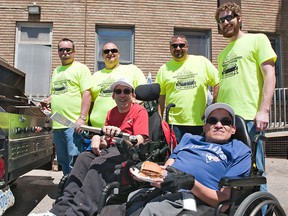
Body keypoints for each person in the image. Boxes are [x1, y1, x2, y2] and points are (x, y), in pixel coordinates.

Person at [30, 78, 149, 216]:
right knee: (83, 157)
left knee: (99, 163)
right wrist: (98, 138)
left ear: (132, 95)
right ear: (113, 95)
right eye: (118, 91)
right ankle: (60, 209)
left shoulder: (140, 111)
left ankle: (78, 212)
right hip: (109, 149)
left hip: (127, 151)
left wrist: (121, 136)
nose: (122, 95)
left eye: (126, 91)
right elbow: (106, 141)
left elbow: (140, 139)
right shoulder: (111, 112)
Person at [128, 103, 251, 215]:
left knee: (153, 209)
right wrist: (147, 173)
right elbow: (167, 168)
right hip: (168, 188)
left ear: (233, 129)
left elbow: (224, 202)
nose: (218, 125)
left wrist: (189, 183)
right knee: (133, 198)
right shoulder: (189, 139)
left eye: (225, 122)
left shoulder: (239, 150)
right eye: (212, 120)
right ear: (204, 126)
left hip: (196, 198)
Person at [214, 2, 277, 190]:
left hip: (249, 118)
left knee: (255, 171)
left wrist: (264, 110)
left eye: (229, 17)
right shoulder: (222, 53)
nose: (225, 22)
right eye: (221, 20)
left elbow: (270, 75)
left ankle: (262, 210)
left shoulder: (258, 39)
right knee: (231, 170)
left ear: (239, 18)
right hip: (227, 122)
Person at [41, 38, 93, 175]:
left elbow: (87, 94)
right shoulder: (56, 71)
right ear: (58, 52)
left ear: (73, 51)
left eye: (68, 49)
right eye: (61, 49)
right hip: (58, 123)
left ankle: (76, 193)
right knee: (63, 162)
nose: (65, 52)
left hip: (73, 125)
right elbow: (57, 93)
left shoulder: (81, 68)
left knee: (74, 162)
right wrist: (48, 100)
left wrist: (82, 118)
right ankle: (66, 191)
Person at [155, 35, 219, 143]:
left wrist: (212, 108)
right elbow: (160, 97)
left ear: (187, 47)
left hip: (200, 122)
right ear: (170, 48)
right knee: (177, 155)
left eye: (181, 45)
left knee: (199, 155)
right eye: (174, 46)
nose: (178, 48)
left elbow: (218, 83)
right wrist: (161, 121)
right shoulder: (164, 69)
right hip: (174, 124)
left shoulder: (202, 62)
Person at [90, 42, 146, 128]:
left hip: (123, 128)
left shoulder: (132, 70)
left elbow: (144, 95)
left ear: (119, 54)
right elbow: (91, 102)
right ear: (102, 55)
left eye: (113, 50)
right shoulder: (95, 75)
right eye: (106, 51)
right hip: (96, 128)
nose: (110, 53)